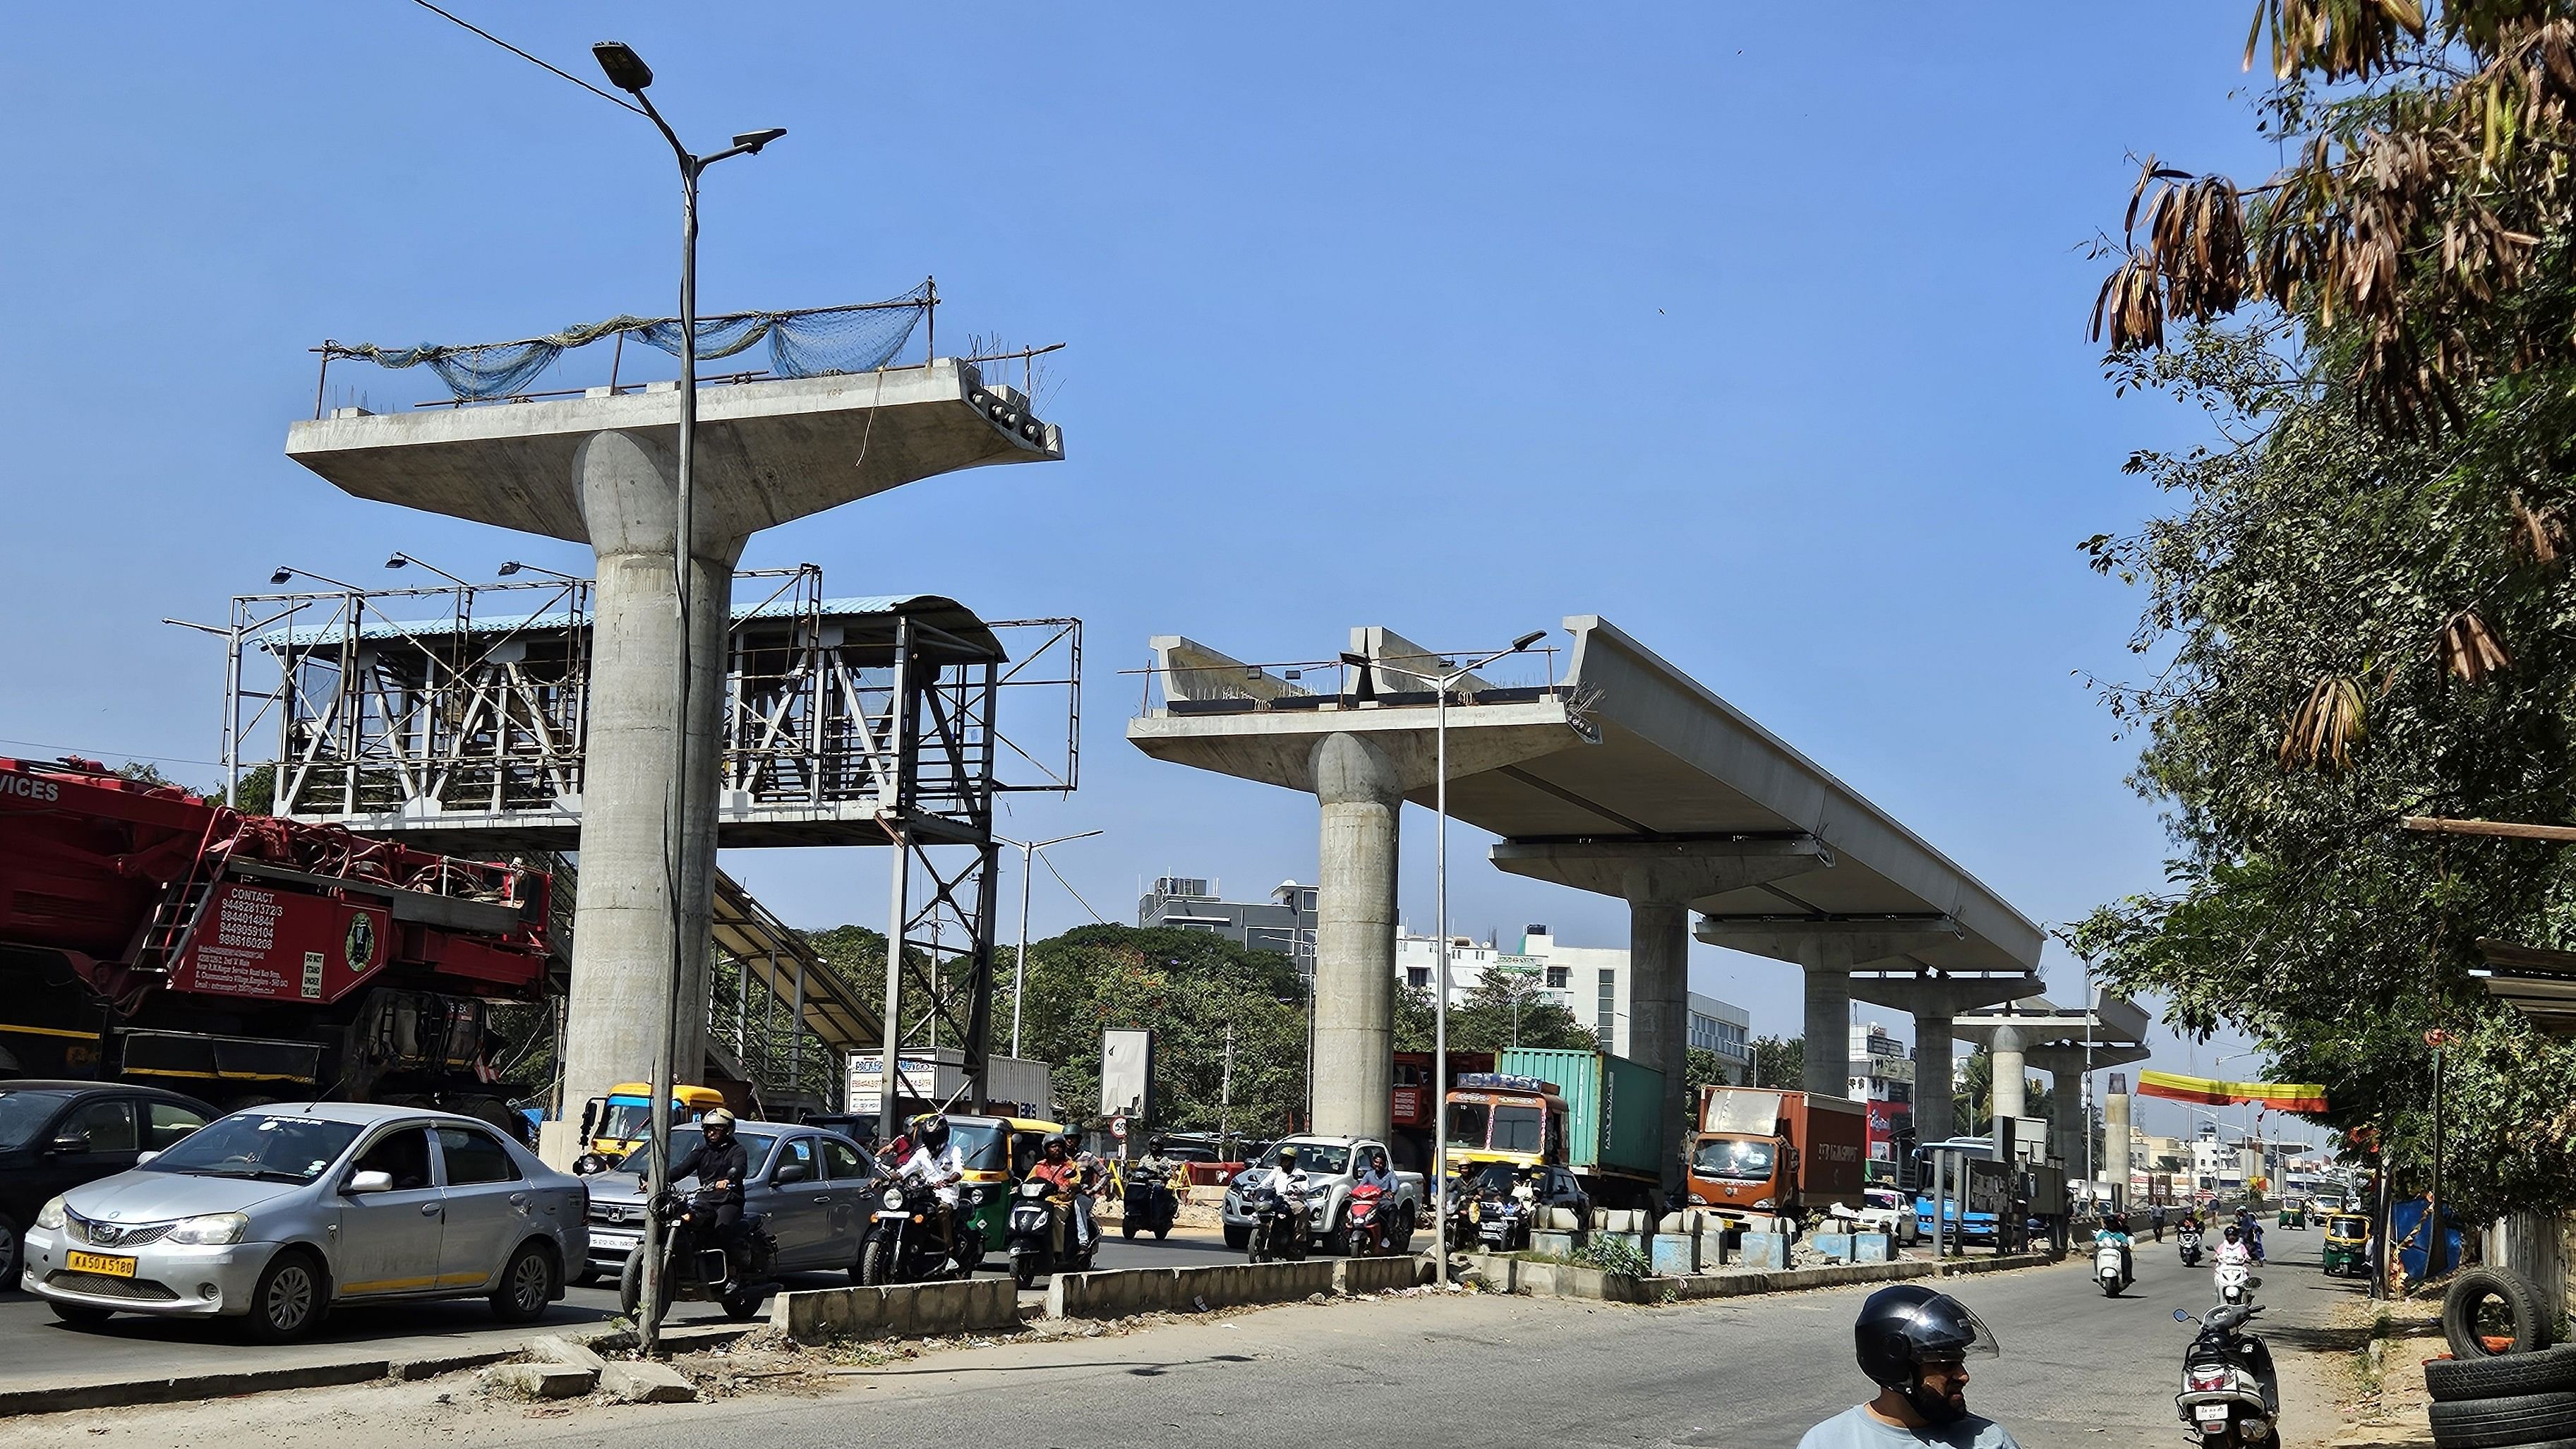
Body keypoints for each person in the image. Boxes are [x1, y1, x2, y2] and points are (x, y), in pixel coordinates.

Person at [1798, 1284, 2022, 1448]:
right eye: (1946, 1365)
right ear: (1897, 1368)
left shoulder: (1989, 1441)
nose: (1963, 1377)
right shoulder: (1828, 1442)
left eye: (1961, 1362)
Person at [667, 1108, 749, 1249]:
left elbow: (739, 1168)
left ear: (728, 1130)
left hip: (728, 1201)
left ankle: (730, 1267)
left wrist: (728, 1180)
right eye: (708, 1129)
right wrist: (655, 1180)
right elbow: (681, 1170)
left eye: (717, 1129)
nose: (711, 1133)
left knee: (721, 1231)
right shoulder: (701, 1152)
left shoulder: (737, 1151)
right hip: (705, 1200)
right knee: (688, 1225)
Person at [899, 1114, 968, 1258]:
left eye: (934, 1137)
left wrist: (948, 1181)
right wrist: (884, 1178)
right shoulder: (921, 1153)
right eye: (928, 1137)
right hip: (924, 1194)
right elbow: (903, 1171)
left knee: (942, 1211)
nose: (931, 1141)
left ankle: (949, 1253)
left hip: (947, 1194)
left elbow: (958, 1172)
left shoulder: (954, 1150)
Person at [1028, 1134, 1093, 1253]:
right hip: (1041, 1203)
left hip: (1061, 1203)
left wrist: (1069, 1187)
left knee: (1056, 1217)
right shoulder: (1039, 1166)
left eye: (1059, 1147)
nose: (1057, 1149)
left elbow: (1075, 1182)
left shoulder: (1070, 1166)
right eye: (1053, 1147)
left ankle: (1058, 1253)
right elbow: (1030, 1181)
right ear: (1047, 1149)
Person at [1357, 1148, 1402, 1250]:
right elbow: (1360, 1187)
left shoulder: (1390, 1175)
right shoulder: (1369, 1175)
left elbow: (1395, 1186)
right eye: (1376, 1162)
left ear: (1384, 1164)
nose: (1378, 1165)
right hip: (1370, 1203)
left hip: (1383, 1202)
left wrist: (1391, 1192)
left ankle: (1390, 1230)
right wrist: (1352, 1193)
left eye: (1381, 1163)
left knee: (1392, 1207)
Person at [2093, 1212, 2133, 1282]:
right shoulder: (2103, 1234)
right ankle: (2098, 1273)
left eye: (2113, 1224)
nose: (2111, 1225)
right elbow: (2097, 1241)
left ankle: (2127, 1276)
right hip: (2104, 1250)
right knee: (2095, 1254)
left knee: (2127, 1255)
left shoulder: (2120, 1234)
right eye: (2110, 1224)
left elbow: (2125, 1241)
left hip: (2117, 1251)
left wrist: (2125, 1245)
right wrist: (2096, 1244)